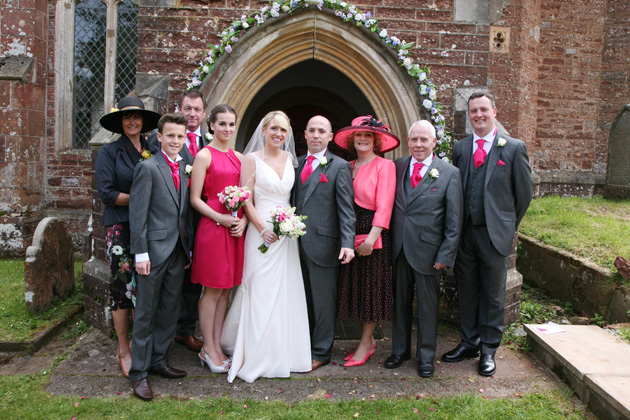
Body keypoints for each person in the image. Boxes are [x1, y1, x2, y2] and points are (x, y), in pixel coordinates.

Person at [442, 92, 533, 376]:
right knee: (466, 289)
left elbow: (524, 194)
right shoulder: (461, 147)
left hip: (495, 233)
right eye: (473, 111)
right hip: (465, 234)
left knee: (493, 294)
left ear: (494, 110)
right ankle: (469, 342)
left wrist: (506, 223)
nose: (478, 115)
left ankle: (489, 349)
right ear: (469, 115)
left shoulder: (514, 148)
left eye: (483, 109)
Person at [221, 111, 311, 383]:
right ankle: (255, 350)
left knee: (285, 289)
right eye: (273, 128)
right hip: (260, 232)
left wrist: (289, 223)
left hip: (286, 235)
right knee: (259, 287)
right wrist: (262, 228)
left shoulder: (291, 159)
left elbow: (290, 197)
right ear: (263, 130)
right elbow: (245, 198)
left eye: (283, 130)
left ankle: (284, 350)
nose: (278, 134)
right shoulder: (251, 160)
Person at [384, 120, 463, 377]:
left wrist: (445, 254)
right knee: (400, 303)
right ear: (408, 141)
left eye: (424, 140)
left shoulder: (449, 173)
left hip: (430, 253)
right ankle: (400, 350)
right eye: (414, 140)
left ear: (434, 142)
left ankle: (426, 356)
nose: (419, 144)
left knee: (428, 307)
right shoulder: (396, 167)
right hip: (399, 249)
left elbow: (454, 220)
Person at [95, 96, 161, 379]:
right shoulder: (109, 152)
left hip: (147, 226)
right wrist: (140, 200)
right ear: (120, 122)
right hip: (120, 226)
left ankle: (141, 343)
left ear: (144, 121)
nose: (132, 121)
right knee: (123, 287)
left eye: (137, 116)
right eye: (126, 117)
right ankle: (123, 348)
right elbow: (107, 194)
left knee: (146, 285)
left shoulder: (152, 149)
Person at [128, 113, 193, 400]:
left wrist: (188, 248)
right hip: (152, 253)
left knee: (169, 310)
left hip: (178, 251)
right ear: (159, 137)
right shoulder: (148, 168)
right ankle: (139, 372)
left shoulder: (184, 167)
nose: (176, 141)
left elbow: (184, 212)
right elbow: (137, 215)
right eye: (170, 136)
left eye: (180, 136)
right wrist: (140, 253)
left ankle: (158, 360)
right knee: (146, 313)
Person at [332, 116, 398, 367]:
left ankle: (365, 344)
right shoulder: (346, 166)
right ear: (351, 139)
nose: (362, 139)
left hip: (373, 233)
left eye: (368, 135)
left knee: (371, 290)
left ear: (376, 140)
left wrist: (372, 238)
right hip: (349, 232)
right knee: (357, 289)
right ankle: (366, 341)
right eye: (358, 135)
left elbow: (385, 205)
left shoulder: (385, 166)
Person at [292, 115, 356, 371]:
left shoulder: (339, 167)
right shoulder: (294, 164)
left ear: (330, 137)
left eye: (322, 131)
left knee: (323, 302)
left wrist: (347, 242)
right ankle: (300, 346)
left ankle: (321, 351)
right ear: (305, 135)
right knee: (300, 300)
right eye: (312, 131)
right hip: (293, 246)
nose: (316, 135)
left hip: (324, 245)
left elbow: (346, 208)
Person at [148, 90, 210, 352]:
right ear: (179, 108)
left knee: (193, 280)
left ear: (204, 114)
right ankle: (159, 336)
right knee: (168, 282)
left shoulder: (210, 142)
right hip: (171, 221)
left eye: (197, 109)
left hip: (201, 220)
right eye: (188, 108)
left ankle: (184, 331)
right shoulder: (160, 141)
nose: (192, 113)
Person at [190, 105, 247, 373]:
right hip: (213, 227)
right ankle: (207, 347)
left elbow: (248, 196)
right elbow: (195, 199)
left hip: (235, 228)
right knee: (212, 290)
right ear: (211, 125)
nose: (227, 129)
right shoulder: (203, 155)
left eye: (231, 124)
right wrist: (220, 218)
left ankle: (217, 344)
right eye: (222, 124)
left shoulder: (239, 156)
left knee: (226, 289)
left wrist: (243, 221)